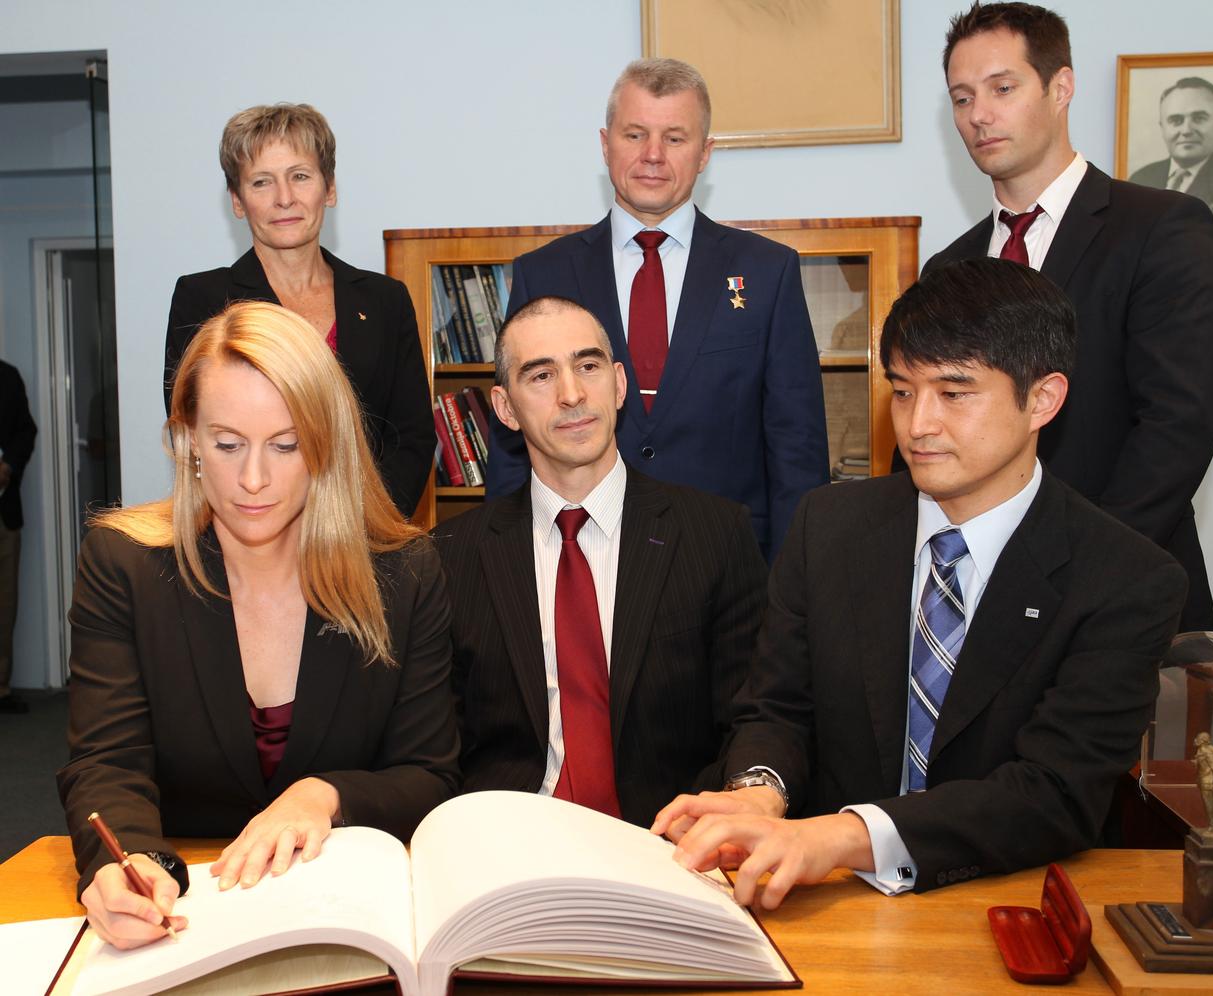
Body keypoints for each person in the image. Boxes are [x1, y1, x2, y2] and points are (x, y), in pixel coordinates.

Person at [652, 259, 1188, 908]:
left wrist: (847, 835)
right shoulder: (830, 526)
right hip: (829, 902)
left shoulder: (1125, 578)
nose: (918, 424)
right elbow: (778, 708)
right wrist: (760, 793)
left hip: (1008, 904)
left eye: (954, 393)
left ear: (1042, 399)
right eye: (903, 391)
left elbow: (1053, 793)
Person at [60, 301, 460, 949]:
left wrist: (323, 794)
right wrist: (128, 862)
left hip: (346, 917)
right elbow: (108, 762)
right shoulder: (124, 565)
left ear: (326, 445)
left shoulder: (406, 574)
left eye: (285, 445)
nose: (252, 479)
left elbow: (430, 774)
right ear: (188, 439)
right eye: (227, 444)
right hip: (190, 912)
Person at [923, 2, 1213, 631]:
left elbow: (1176, 428)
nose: (979, 114)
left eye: (1002, 88)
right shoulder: (946, 270)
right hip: (974, 604)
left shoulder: (1160, 228)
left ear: (1060, 87)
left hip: (1118, 590)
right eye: (961, 98)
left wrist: (1076, 571)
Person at [434, 296, 767, 826]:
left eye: (587, 366)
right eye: (540, 376)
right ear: (504, 408)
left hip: (667, 839)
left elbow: (753, 714)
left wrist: (739, 801)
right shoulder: (448, 557)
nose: (571, 395)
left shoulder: (715, 534)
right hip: (511, 844)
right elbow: (436, 751)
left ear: (618, 384)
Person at [483, 59, 828, 561]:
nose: (652, 156)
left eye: (674, 138)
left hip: (728, 568)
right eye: (635, 134)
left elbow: (797, 451)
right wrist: (506, 568)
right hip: (579, 559)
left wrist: (793, 594)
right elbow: (514, 444)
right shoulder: (544, 274)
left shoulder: (768, 272)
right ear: (606, 144)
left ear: (705, 152)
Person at [163, 103, 433, 518]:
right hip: (246, 536)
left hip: (368, 541)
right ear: (237, 201)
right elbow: (195, 436)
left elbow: (412, 439)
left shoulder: (385, 300)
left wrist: (367, 531)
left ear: (329, 189)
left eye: (300, 176)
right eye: (261, 183)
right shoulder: (202, 299)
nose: (284, 199)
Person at [1129, 77, 1213, 231]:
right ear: (1162, 127)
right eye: (1176, 120)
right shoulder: (1140, 179)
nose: (1187, 130)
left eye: (1199, 118)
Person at [0, 359, 37, 714]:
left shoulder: (8, 377)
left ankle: (2, 688)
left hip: (4, 513)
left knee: (5, 601)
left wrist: (8, 466)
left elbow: (26, 431)